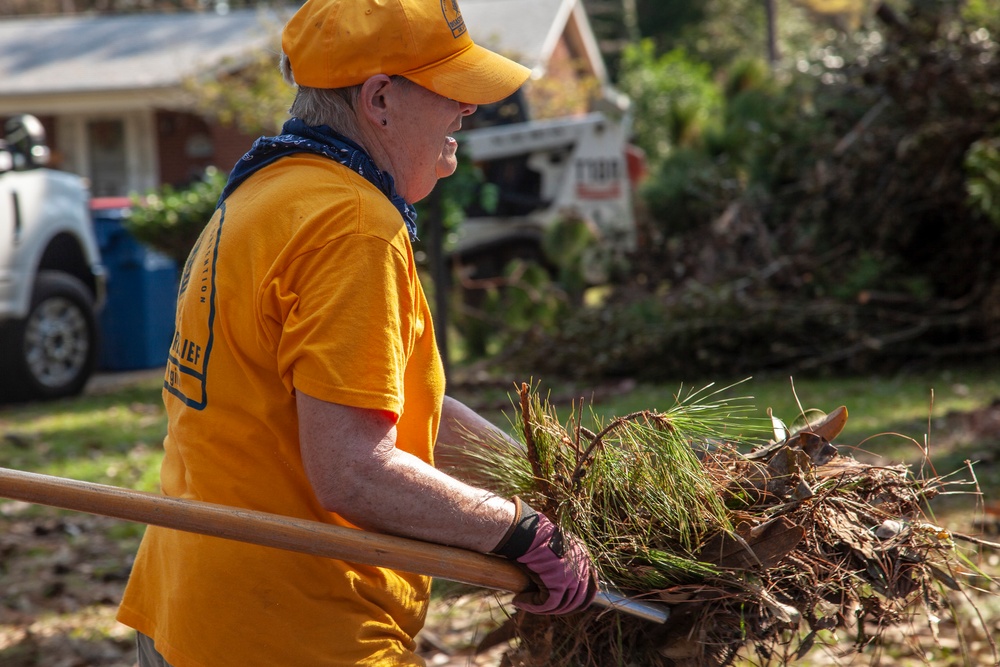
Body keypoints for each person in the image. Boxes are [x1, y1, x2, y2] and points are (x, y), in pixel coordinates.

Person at [115, 0, 597, 665]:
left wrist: (549, 481)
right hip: (291, 631)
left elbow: (389, 413)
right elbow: (353, 468)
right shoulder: (352, 225)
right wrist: (515, 531)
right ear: (379, 100)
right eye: (449, 89)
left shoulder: (265, 194)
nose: (468, 109)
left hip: (192, 610)